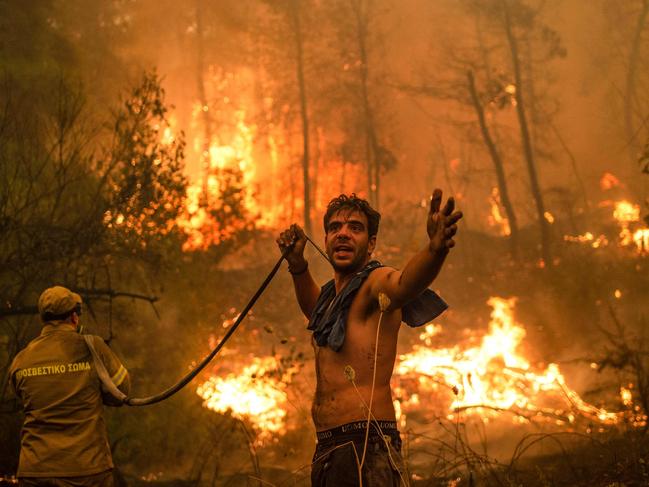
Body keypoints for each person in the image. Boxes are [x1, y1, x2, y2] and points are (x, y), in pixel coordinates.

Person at [277, 189, 462, 486]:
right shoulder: (330, 300)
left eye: (355, 228)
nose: (343, 234)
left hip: (365, 445)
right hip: (328, 448)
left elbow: (403, 284)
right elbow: (314, 313)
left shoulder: (374, 283)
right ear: (325, 241)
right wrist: (298, 266)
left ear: (371, 243)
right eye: (335, 228)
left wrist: (435, 249)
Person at [8, 286, 130, 487]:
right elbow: (122, 392)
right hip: (86, 471)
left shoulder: (21, 360)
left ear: (43, 319)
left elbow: (25, 399)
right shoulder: (92, 347)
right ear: (74, 317)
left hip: (35, 472)